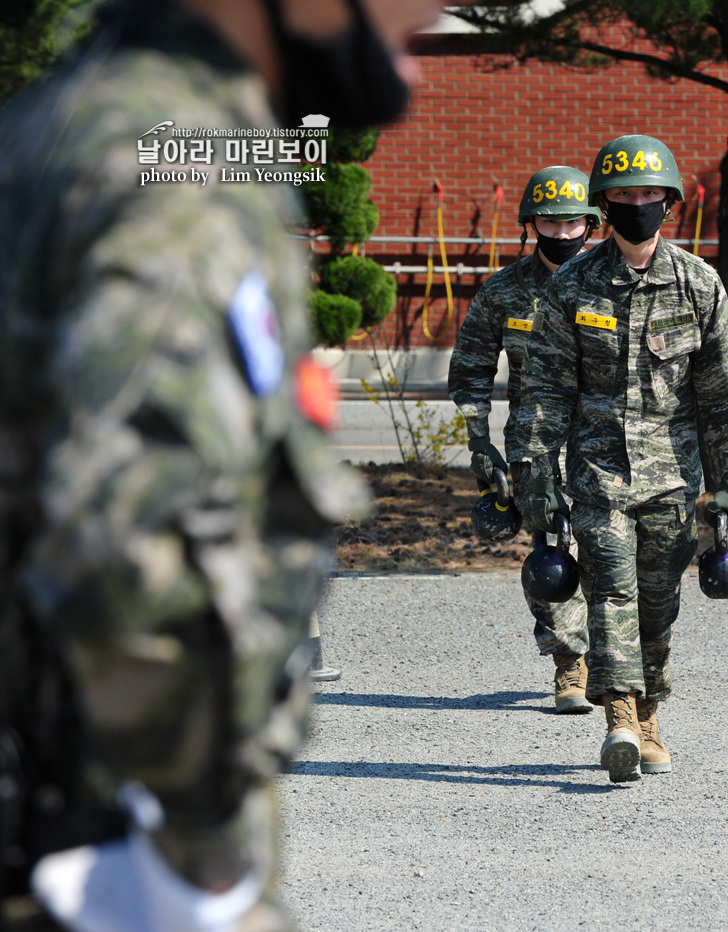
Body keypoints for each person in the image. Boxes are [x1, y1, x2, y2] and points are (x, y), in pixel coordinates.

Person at [0, 0, 444, 929]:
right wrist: (200, 858)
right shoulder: (183, 172)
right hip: (96, 853)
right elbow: (130, 546)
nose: (431, 26)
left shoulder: (62, 118)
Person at [517, 134, 728, 784]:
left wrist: (727, 492)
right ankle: (619, 719)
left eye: (646, 195)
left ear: (668, 203)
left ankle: (649, 714)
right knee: (612, 588)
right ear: (604, 204)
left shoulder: (698, 286)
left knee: (657, 603)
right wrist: (537, 480)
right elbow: (543, 393)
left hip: (673, 482)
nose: (635, 205)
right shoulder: (574, 285)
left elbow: (723, 402)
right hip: (598, 475)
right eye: (621, 196)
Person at [447, 166, 600, 714]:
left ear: (592, 221)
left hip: (616, 440)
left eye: (572, 222)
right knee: (554, 551)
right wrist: (479, 443)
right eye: (549, 223)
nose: (562, 234)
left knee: (617, 550)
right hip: (538, 444)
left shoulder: (618, 281)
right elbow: (470, 372)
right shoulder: (504, 291)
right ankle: (570, 664)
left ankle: (618, 658)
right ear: (530, 223)